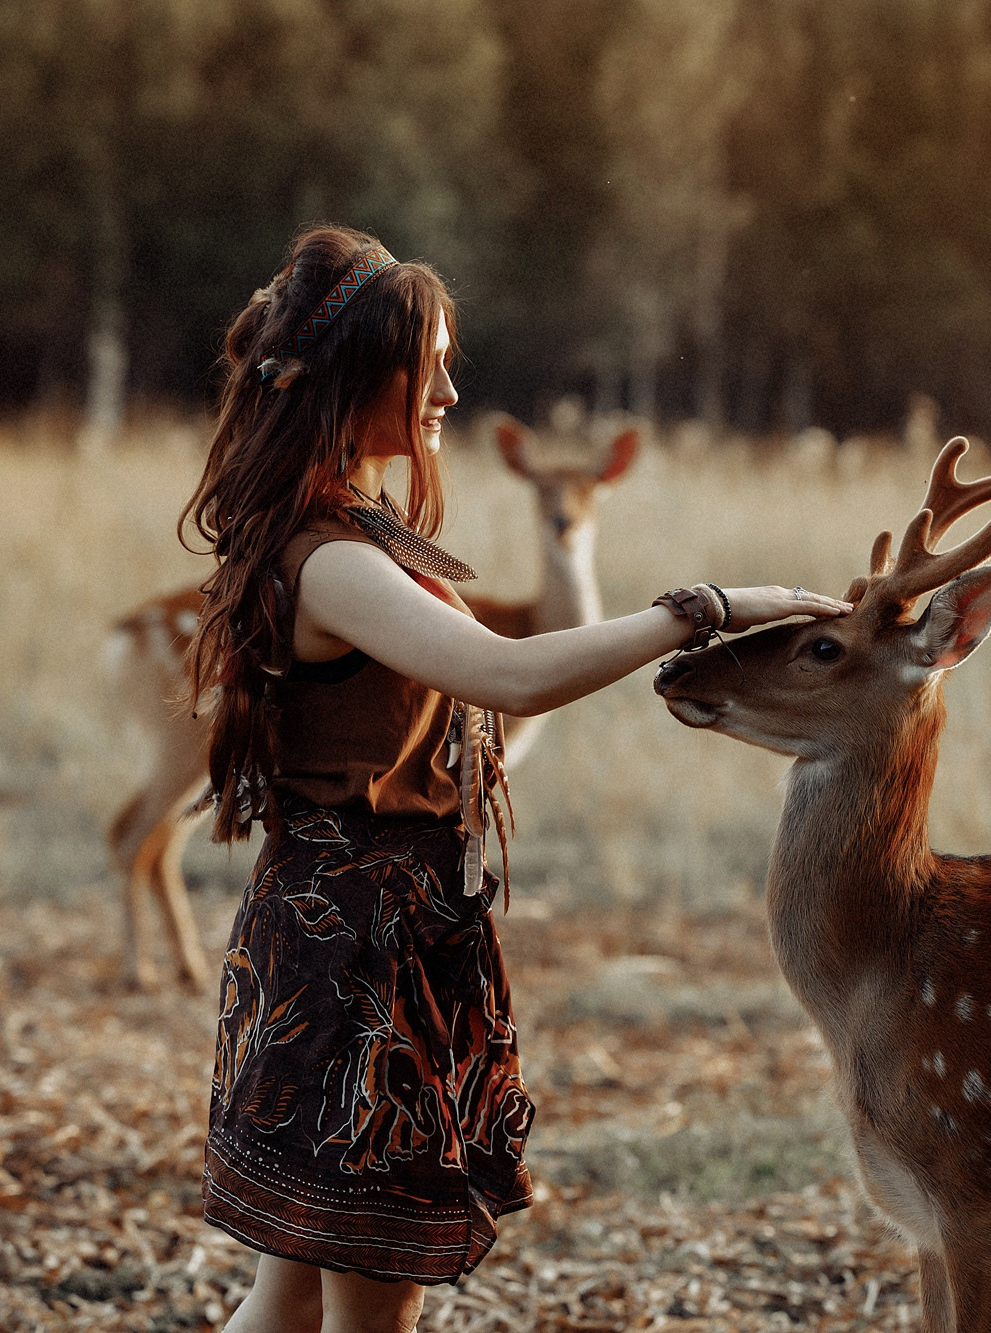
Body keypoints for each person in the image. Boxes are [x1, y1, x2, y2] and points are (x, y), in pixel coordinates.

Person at [179, 225, 849, 1333]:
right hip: (355, 961)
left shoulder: (350, 532)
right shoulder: (336, 561)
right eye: (428, 362)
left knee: (292, 1294)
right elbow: (512, 675)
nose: (448, 387)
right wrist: (707, 608)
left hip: (367, 938)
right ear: (362, 376)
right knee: (361, 1309)